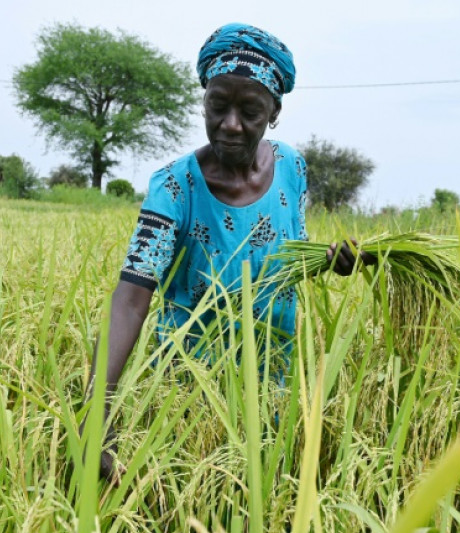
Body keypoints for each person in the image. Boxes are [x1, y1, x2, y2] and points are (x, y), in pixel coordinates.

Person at [83, 23, 369, 480]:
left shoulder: (292, 167)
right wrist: (97, 413)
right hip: (189, 394)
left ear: (274, 112)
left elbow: (281, 255)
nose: (230, 124)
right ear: (203, 100)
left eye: (250, 111)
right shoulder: (174, 187)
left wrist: (328, 260)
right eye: (218, 106)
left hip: (275, 382)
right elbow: (131, 299)